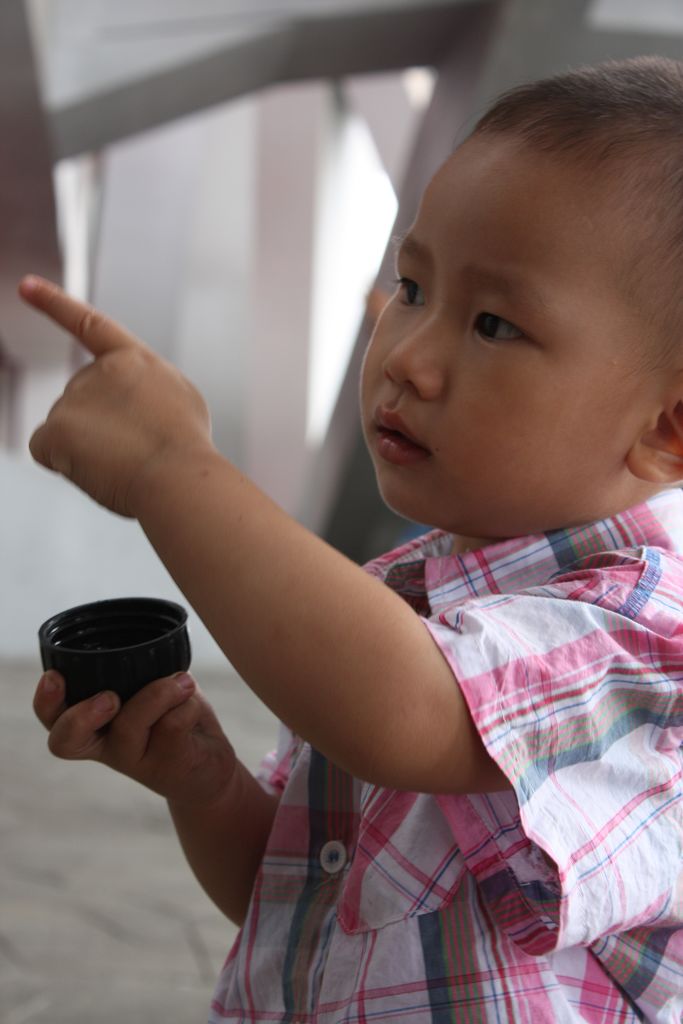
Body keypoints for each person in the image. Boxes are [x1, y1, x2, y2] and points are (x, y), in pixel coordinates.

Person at [23, 55, 683, 1022]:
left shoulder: (637, 631)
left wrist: (173, 470)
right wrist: (203, 778)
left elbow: (405, 716)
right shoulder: (401, 603)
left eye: (494, 324)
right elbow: (301, 895)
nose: (407, 357)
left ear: (666, 430)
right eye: (410, 287)